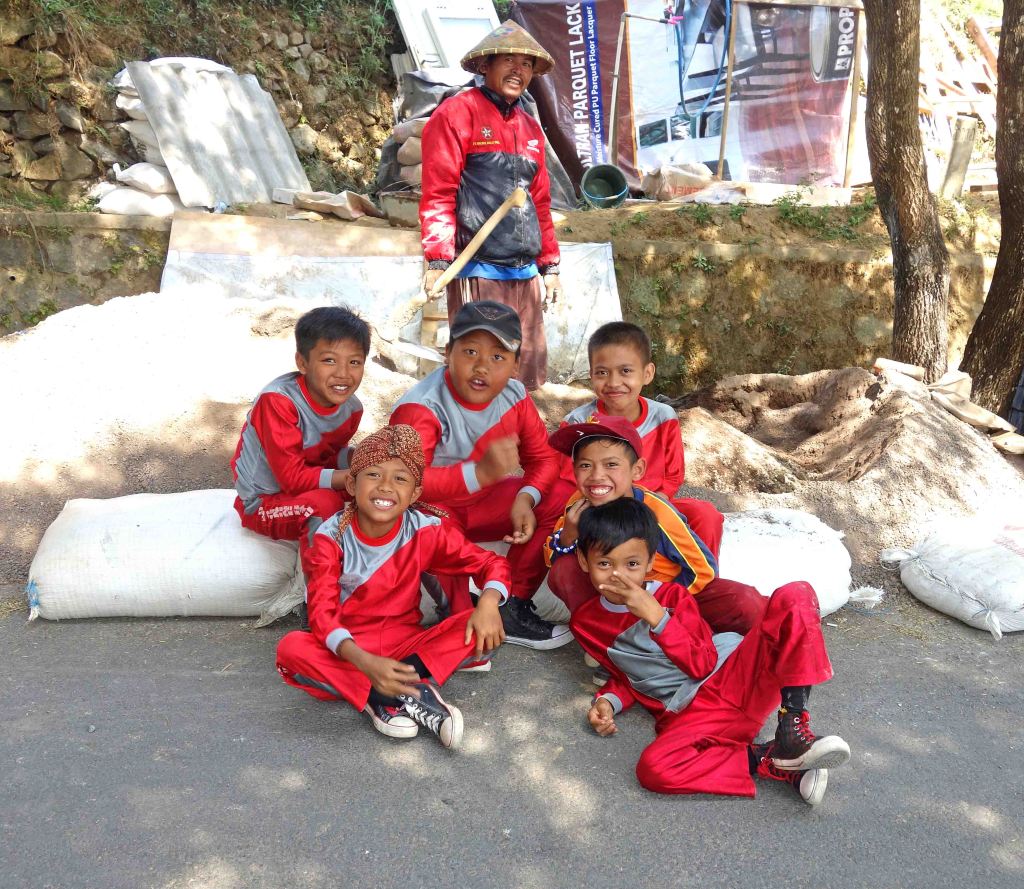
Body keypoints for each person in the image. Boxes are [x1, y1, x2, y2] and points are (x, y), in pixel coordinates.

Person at [572, 498, 851, 804]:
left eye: (632, 564)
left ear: (650, 562)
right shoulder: (585, 623)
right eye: (604, 563)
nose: (618, 576)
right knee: (654, 768)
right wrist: (609, 701)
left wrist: (658, 617)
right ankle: (770, 760)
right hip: (694, 711)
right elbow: (628, 674)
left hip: (737, 676)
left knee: (796, 594)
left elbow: (703, 663)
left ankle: (792, 727)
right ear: (584, 562)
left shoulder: (672, 596)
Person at [275, 425, 510, 749]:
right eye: (373, 475)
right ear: (353, 485)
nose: (385, 487)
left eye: (400, 479)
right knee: (291, 649)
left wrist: (488, 603)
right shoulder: (330, 538)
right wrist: (365, 663)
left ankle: (386, 694)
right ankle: (398, 694)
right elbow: (322, 615)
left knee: (481, 629)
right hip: (350, 650)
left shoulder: (426, 530)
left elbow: (491, 563)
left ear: (415, 493)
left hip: (406, 644)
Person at [390, 300, 571, 650]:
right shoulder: (421, 407)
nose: (482, 367)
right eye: (470, 351)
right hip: (434, 508)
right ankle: (456, 615)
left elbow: (543, 459)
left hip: (487, 502)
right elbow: (401, 483)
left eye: (498, 357)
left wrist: (526, 497)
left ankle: (512, 605)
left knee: (561, 497)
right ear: (447, 353)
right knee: (428, 529)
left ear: (516, 365)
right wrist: (479, 474)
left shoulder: (515, 395)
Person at [419, 20, 562, 391]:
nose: (519, 70)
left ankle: (518, 443)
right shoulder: (456, 114)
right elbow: (439, 191)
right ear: (485, 66)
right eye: (509, 61)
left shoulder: (530, 128)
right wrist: (437, 260)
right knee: (481, 376)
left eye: (527, 64)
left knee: (524, 375)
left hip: (524, 274)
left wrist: (550, 266)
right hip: (479, 272)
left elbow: (541, 203)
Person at [544, 416, 767, 635]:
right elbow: (552, 561)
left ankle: (691, 634)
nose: (597, 476)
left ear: (637, 470)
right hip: (614, 595)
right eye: (585, 465)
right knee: (563, 571)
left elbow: (703, 569)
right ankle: (606, 638)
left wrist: (662, 605)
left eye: (611, 464)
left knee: (745, 603)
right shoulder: (578, 505)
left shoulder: (657, 512)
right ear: (574, 470)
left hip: (669, 595)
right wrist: (568, 536)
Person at [555, 321, 724, 557]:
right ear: (591, 375)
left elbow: (673, 475)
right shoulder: (577, 423)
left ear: (647, 373)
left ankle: (704, 583)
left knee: (705, 514)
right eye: (602, 372)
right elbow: (567, 480)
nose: (613, 382)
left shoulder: (663, 417)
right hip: (599, 508)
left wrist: (654, 506)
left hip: (653, 505)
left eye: (625, 371)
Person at [232, 306, 367, 549]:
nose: (343, 374)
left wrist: (366, 465)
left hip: (304, 481)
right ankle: (314, 584)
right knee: (325, 505)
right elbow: (292, 479)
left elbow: (328, 459)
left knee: (379, 480)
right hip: (263, 502)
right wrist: (351, 478)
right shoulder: (278, 402)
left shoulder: (353, 409)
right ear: (302, 363)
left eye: (354, 362)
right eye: (329, 360)